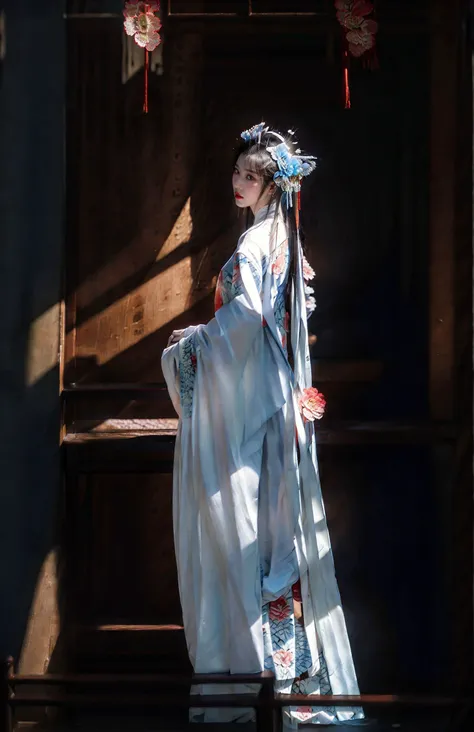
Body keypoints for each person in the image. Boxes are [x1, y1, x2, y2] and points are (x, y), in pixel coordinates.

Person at [162, 122, 363, 729]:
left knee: (241, 530)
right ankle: (279, 681)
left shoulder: (260, 245)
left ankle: (252, 685)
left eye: (252, 175)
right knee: (265, 535)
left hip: (249, 404)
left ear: (274, 185)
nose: (240, 182)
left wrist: (191, 343)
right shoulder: (279, 239)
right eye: (237, 172)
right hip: (266, 399)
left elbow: (248, 322)